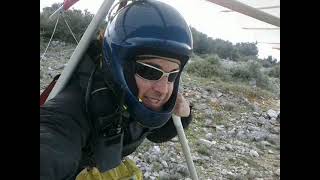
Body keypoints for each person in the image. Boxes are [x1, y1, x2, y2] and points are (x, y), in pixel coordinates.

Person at [40, 0, 193, 179]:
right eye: (149, 71)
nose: (162, 89)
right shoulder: (74, 106)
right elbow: (52, 141)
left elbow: (155, 133)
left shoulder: (139, 97)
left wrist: (184, 116)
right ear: (120, 66)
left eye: (172, 75)